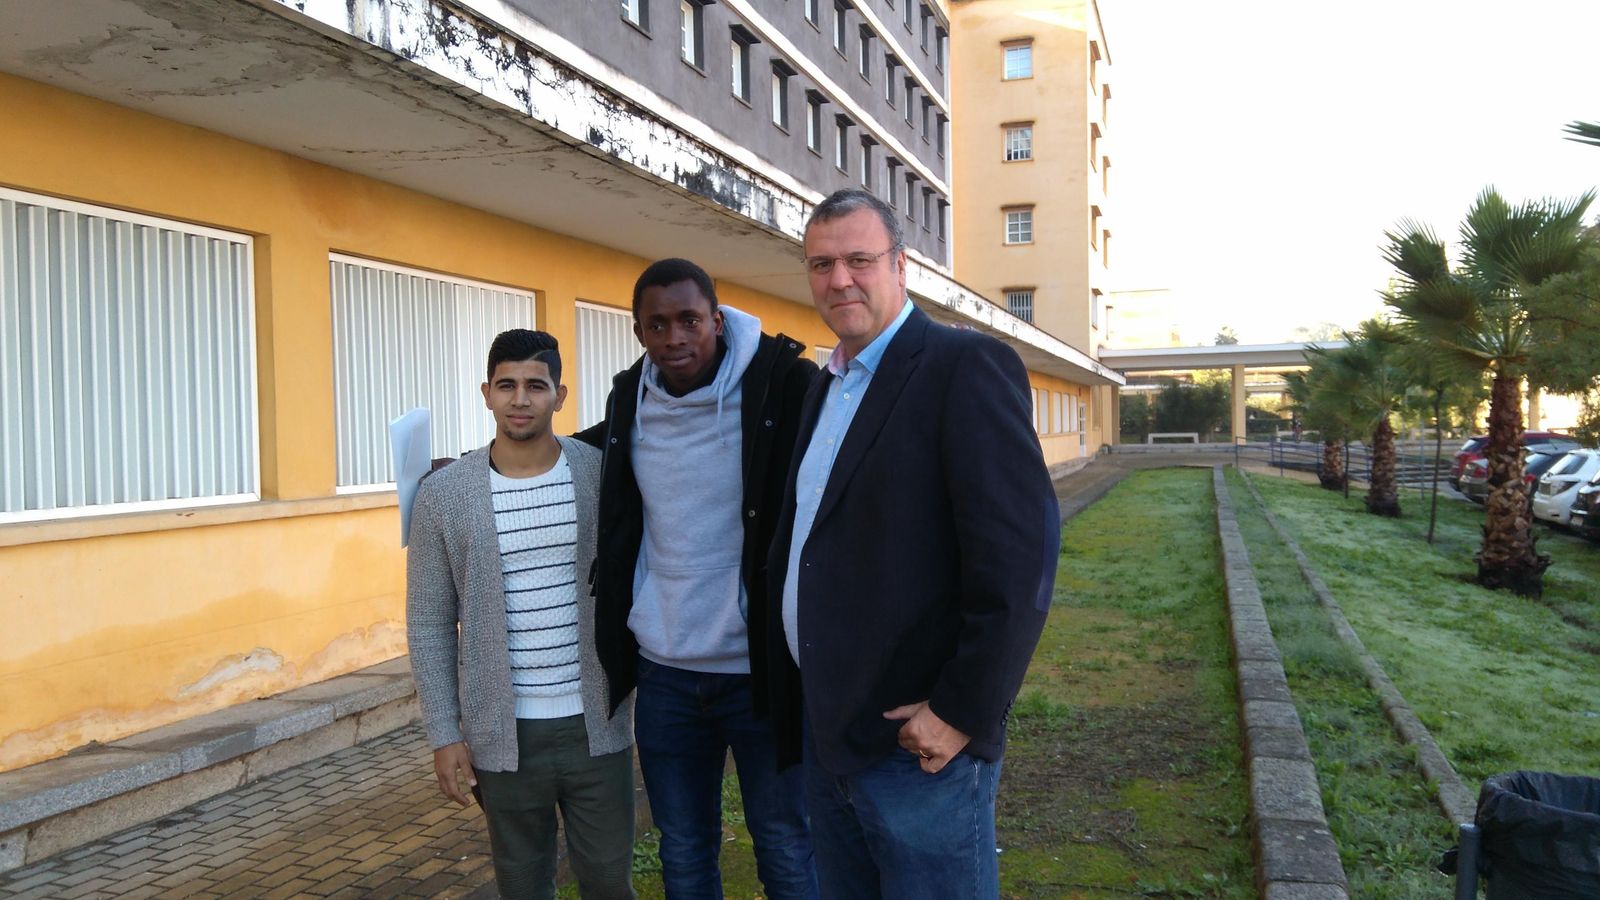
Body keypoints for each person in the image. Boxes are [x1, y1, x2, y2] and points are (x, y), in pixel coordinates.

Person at [767, 190, 1060, 899]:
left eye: (859, 260)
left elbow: (1019, 563)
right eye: (821, 264)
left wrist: (960, 711)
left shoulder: (964, 367)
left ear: (900, 266)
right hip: (831, 730)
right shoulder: (826, 385)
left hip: (918, 745)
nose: (840, 280)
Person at [577, 258, 820, 899]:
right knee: (683, 849)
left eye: (689, 320)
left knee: (786, 845)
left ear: (716, 318)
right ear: (639, 333)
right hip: (667, 675)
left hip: (762, 670)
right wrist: (472, 463)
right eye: (657, 325)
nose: (675, 338)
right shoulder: (631, 400)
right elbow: (581, 448)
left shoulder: (783, 387)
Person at [407, 330, 635, 900]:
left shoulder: (602, 476)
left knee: (609, 882)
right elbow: (430, 621)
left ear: (560, 395)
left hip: (597, 724)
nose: (520, 399)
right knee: (523, 884)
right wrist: (444, 731)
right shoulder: (444, 494)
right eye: (506, 385)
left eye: (536, 385)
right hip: (501, 734)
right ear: (486, 393)